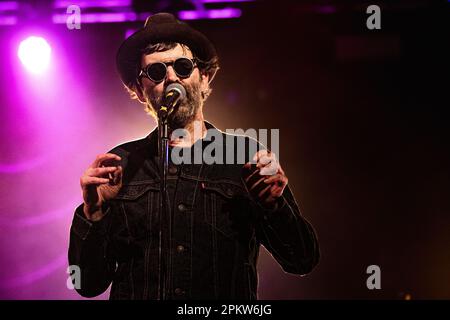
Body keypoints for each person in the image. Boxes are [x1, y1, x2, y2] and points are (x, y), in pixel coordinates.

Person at [68, 13, 319, 300]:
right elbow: (87, 284)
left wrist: (275, 208)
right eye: (157, 72)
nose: (172, 78)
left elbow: (302, 260)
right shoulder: (121, 164)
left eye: (183, 67)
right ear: (139, 90)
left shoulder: (243, 156)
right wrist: (93, 214)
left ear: (204, 77)